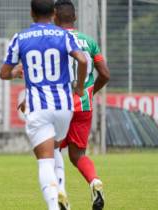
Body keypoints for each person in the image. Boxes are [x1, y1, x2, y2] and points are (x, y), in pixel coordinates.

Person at [0, 0, 88, 210]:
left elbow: (4, 73)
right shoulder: (64, 35)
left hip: (39, 106)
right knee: (55, 148)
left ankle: (54, 205)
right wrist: (80, 87)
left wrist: (16, 72)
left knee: (44, 160)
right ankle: (63, 192)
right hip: (64, 107)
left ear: (31, 12)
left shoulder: (20, 38)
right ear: (53, 12)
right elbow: (83, 60)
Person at [53, 1, 110, 210]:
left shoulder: (54, 41)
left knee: (51, 149)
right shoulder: (89, 41)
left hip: (59, 105)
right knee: (78, 155)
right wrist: (89, 91)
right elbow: (105, 74)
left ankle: (61, 194)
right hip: (84, 106)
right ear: (74, 18)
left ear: (55, 17)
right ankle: (94, 181)